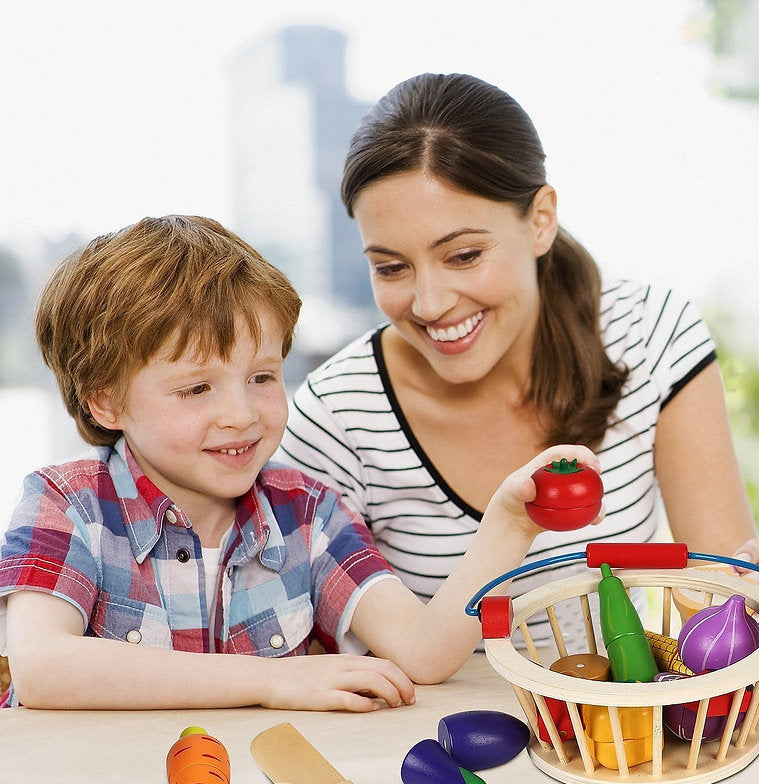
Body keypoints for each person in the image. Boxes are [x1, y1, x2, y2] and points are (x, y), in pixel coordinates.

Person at [278, 72, 759, 647]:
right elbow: (318, 655)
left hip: (610, 726)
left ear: (541, 220)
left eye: (464, 255)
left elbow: (719, 596)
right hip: (426, 734)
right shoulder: (335, 416)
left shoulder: (651, 334)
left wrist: (751, 606)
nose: (429, 304)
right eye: (391, 267)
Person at [0, 214, 600, 711]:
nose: (242, 414)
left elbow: (424, 653)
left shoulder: (308, 513)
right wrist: (272, 680)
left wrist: (510, 523)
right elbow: (43, 668)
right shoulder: (65, 502)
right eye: (196, 389)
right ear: (105, 400)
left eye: (262, 376)